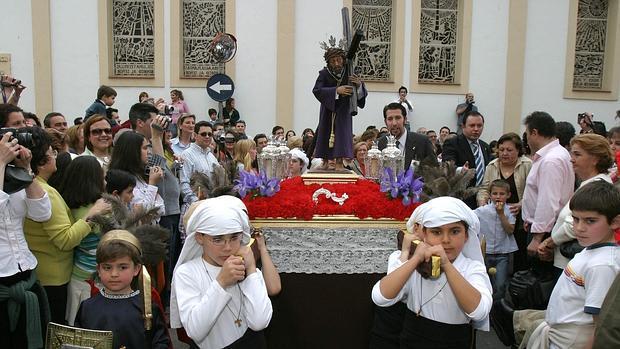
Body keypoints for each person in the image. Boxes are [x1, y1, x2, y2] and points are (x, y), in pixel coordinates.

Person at [493, 181, 620, 348]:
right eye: (575, 219)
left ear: (615, 222)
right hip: (559, 336)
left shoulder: (602, 265)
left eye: (590, 221)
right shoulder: (593, 250)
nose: (579, 228)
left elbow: (598, 325)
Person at [372, 197, 492, 348]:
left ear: (466, 235)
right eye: (436, 232)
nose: (446, 240)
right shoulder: (415, 264)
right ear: (424, 234)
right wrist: (415, 259)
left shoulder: (472, 268)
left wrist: (446, 265)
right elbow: (380, 297)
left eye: (455, 231)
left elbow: (479, 312)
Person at [24, 130, 109, 324]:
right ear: (41, 161)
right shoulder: (44, 192)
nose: (56, 156)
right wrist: (92, 214)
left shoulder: (39, 186)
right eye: (52, 152)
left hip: (48, 271)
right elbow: (65, 240)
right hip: (54, 276)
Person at [170, 196, 273, 348]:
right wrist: (221, 283)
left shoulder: (245, 266)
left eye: (234, 238)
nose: (227, 247)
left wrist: (251, 271)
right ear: (199, 238)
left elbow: (259, 322)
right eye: (217, 240)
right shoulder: (187, 273)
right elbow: (195, 330)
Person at [74, 230, 171, 348]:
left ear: (136, 269)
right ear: (98, 270)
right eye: (107, 267)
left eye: (123, 267)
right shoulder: (88, 307)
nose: (114, 274)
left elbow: (160, 343)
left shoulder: (147, 307)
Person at [0, 129, 52, 348]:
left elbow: (42, 213)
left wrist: (25, 170)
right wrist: (0, 163)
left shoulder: (12, 175)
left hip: (26, 276)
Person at [538, 134, 614, 269]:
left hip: (572, 262)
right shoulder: (587, 184)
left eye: (577, 155)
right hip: (565, 260)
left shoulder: (596, 187)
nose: (572, 160)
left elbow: (573, 225)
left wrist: (550, 242)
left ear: (595, 159)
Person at [58, 156, 106, 325]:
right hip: (92, 280)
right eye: (102, 176)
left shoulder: (71, 205)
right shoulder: (95, 209)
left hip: (78, 275)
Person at [521, 111, 574, 260]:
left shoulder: (551, 160)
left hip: (545, 232)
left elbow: (548, 201)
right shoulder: (556, 154)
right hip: (541, 226)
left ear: (534, 132)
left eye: (527, 133)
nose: (527, 139)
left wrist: (537, 238)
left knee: (538, 279)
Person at [476, 133, 532, 272]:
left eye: (509, 150)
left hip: (519, 214)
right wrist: (482, 201)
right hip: (496, 214)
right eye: (501, 150)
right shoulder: (492, 166)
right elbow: (484, 188)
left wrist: (520, 204)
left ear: (518, 150)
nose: (504, 153)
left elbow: (533, 191)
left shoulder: (527, 165)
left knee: (519, 251)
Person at [312, 44, 368, 171]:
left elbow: (360, 92)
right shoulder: (324, 74)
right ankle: (325, 161)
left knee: (342, 135)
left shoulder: (349, 72)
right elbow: (317, 90)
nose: (336, 63)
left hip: (344, 110)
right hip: (328, 109)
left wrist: (359, 85)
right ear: (329, 62)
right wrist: (336, 90)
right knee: (325, 133)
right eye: (333, 61)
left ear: (343, 59)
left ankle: (339, 162)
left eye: (338, 60)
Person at [474, 179, 516, 301]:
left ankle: (498, 307)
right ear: (490, 195)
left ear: (508, 195)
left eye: (502, 194)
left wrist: (501, 213)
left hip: (503, 253)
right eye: (495, 193)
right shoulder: (482, 211)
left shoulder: (511, 211)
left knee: (501, 284)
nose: (498, 197)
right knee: (485, 283)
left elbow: (510, 230)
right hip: (485, 253)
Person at [109, 132, 165, 217]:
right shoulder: (120, 179)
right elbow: (139, 213)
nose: (148, 152)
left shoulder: (140, 175)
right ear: (133, 151)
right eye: (145, 148)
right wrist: (152, 184)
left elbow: (161, 209)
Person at [442, 111, 492, 208]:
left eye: (479, 125)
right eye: (472, 125)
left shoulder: (485, 146)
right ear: (463, 126)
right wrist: (461, 170)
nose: (476, 129)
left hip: (483, 200)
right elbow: (447, 166)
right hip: (462, 199)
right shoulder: (452, 143)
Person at [377, 102, 434, 171]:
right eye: (390, 119)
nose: (394, 123)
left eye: (398, 118)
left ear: (405, 120)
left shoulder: (422, 141)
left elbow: (434, 170)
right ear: (385, 122)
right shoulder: (379, 144)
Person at [180, 121, 220, 205]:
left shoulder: (211, 156)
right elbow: (184, 182)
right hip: (195, 205)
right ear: (195, 135)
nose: (207, 137)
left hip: (213, 204)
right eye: (203, 134)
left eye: (210, 134)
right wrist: (196, 201)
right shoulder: (187, 154)